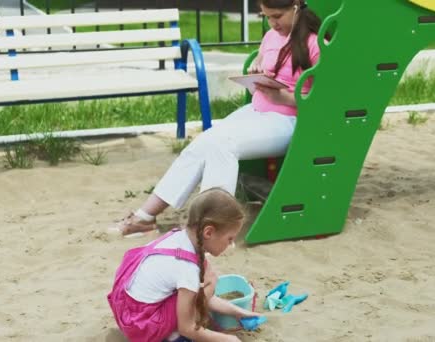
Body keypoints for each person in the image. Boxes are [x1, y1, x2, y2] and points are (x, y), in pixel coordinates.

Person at [116, 0, 323, 236]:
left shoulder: (317, 45)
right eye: (266, 17)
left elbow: (324, 101)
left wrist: (282, 97)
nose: (272, 23)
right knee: (205, 142)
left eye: (277, 16)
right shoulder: (271, 38)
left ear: (295, 7)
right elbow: (267, 67)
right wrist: (257, 73)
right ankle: (146, 216)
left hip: (289, 120)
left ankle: (214, 228)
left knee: (222, 146)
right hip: (258, 111)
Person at [108, 188, 260, 342]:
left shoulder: (181, 238)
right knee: (209, 282)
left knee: (204, 284)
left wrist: (237, 312)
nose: (231, 244)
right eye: (229, 238)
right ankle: (171, 337)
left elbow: (206, 297)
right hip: (142, 326)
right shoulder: (187, 268)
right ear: (208, 232)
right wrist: (228, 339)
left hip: (127, 311)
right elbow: (187, 328)